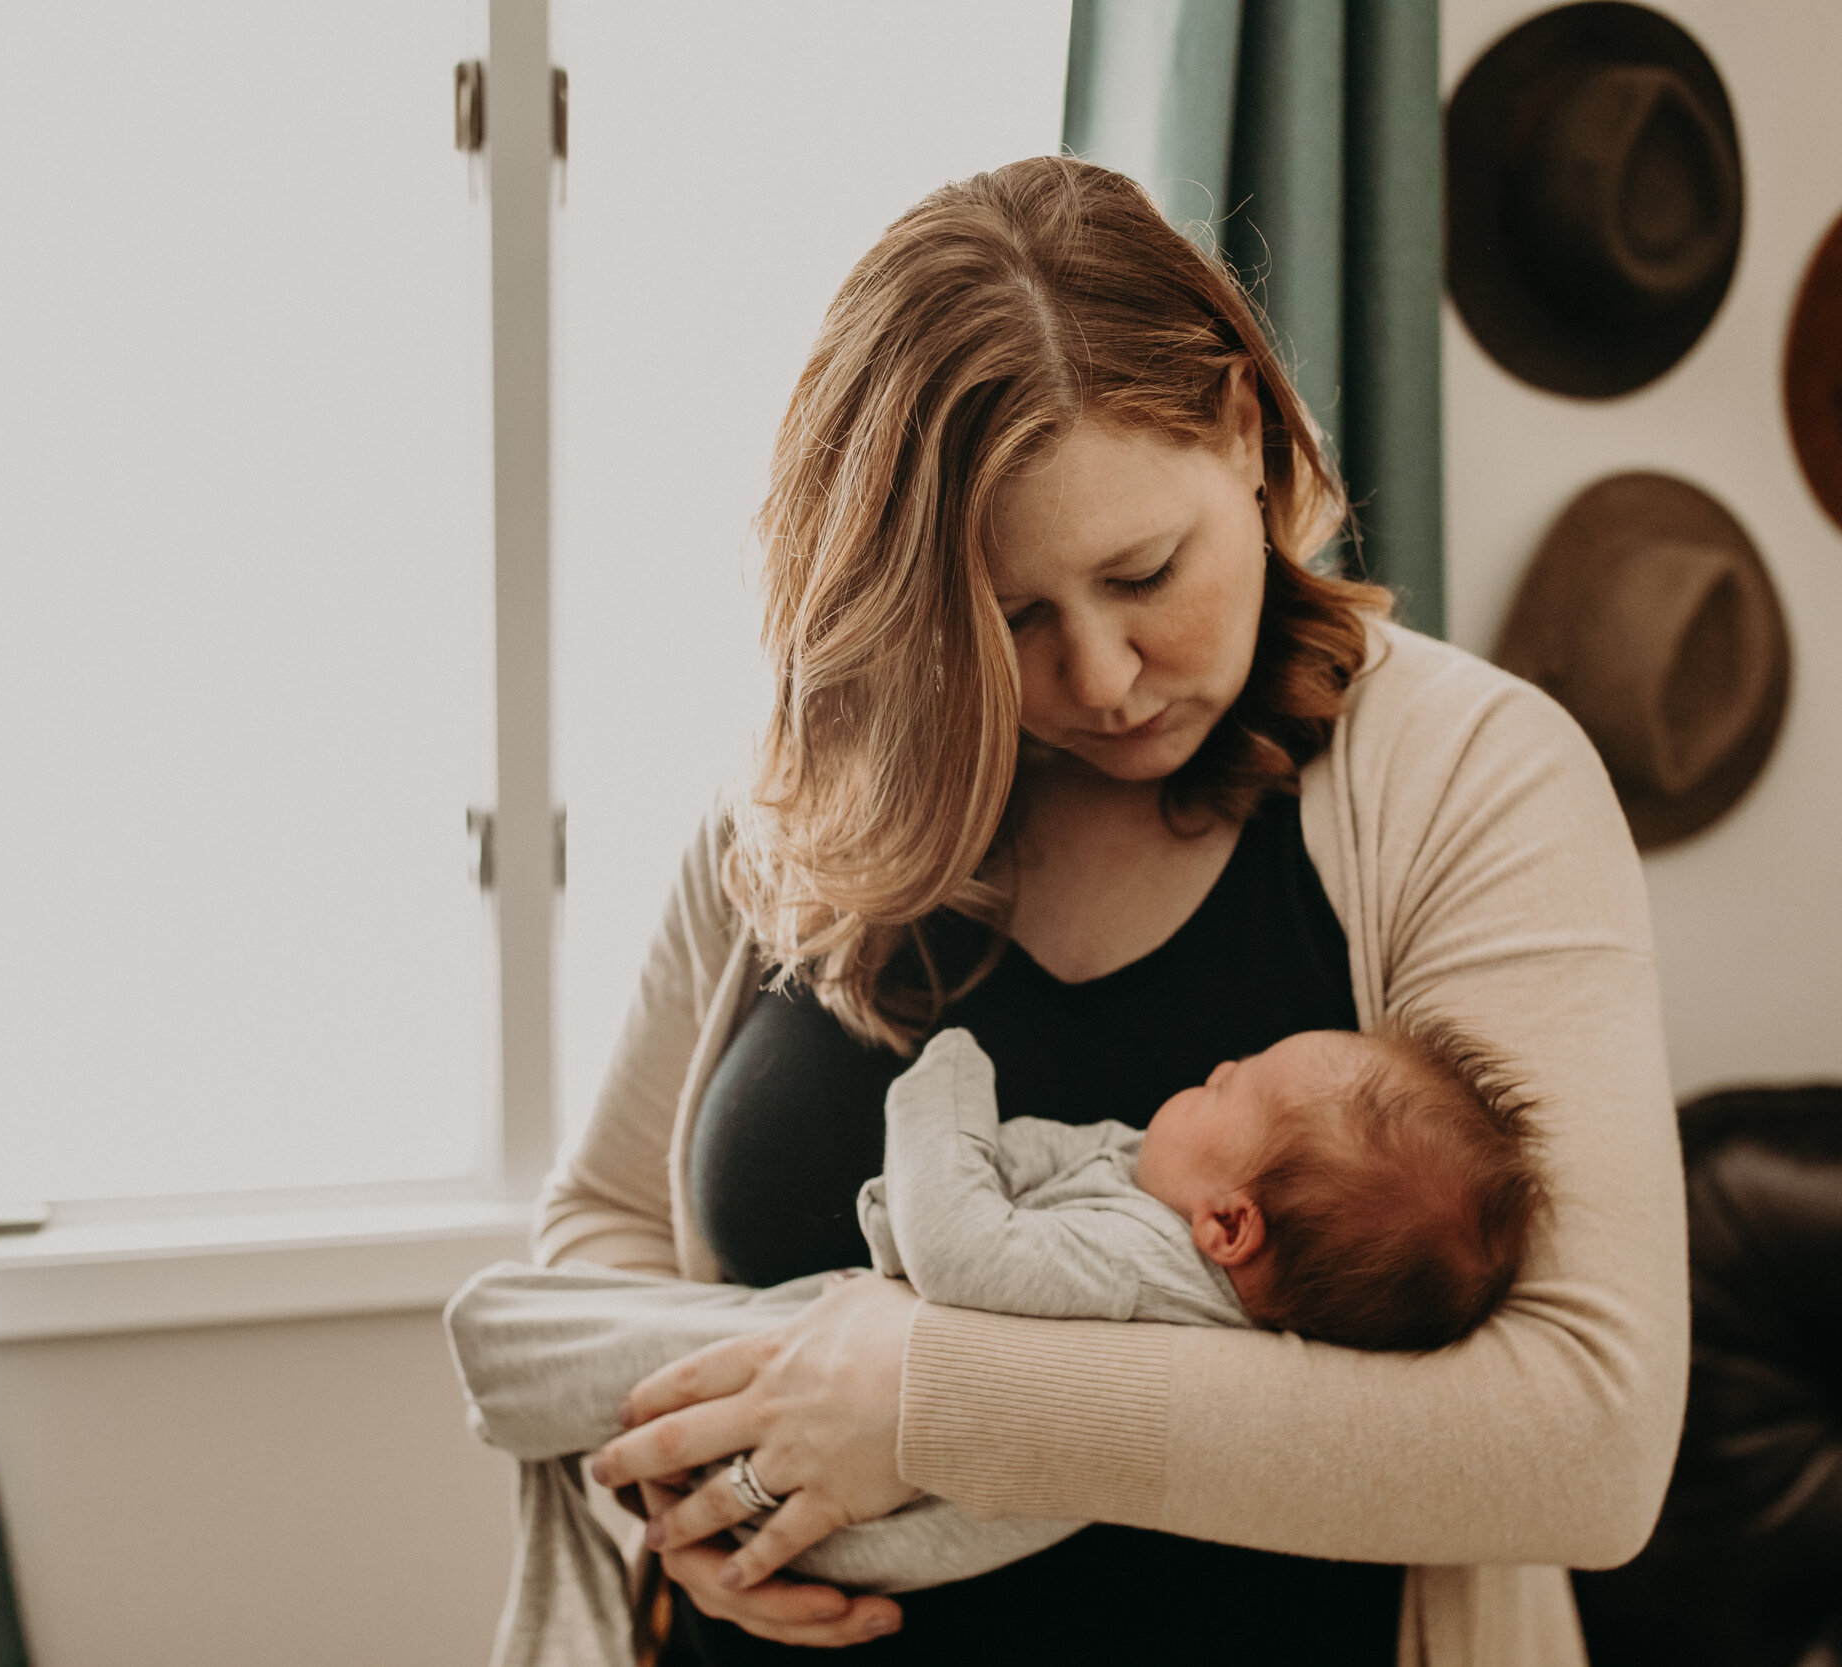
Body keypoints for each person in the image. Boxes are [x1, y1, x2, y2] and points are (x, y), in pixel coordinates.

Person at [540, 156, 1689, 1664]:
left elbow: (1584, 1440)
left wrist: (935, 1402)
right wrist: (686, 1501)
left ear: (1245, 433)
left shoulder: (1471, 776)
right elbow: (601, 1230)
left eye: (1146, 572)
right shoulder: (801, 802)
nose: (1099, 675)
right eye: (1006, 614)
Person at [449, 1018, 1544, 1603]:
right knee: (720, 1356)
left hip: (870, 1529)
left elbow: (961, 1245)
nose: (1210, 1065)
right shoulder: (1176, 1245)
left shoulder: (1135, 1261)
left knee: (618, 1340)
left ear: (1229, 1228)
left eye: (1227, 1088)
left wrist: (945, 1077)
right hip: (784, 1538)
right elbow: (604, 1195)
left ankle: (511, 1361)